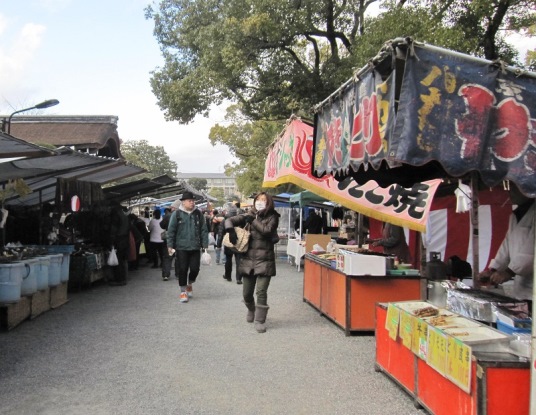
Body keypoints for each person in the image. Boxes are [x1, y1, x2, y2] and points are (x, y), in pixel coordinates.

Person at [225, 192, 280, 333]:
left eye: (264, 200)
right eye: (258, 200)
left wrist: (253, 220)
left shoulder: (273, 216)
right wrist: (230, 230)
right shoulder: (248, 214)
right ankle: (251, 309)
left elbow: (266, 231)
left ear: (269, 203)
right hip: (248, 259)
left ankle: (260, 320)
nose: (260, 202)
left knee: (261, 291)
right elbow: (229, 220)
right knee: (246, 293)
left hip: (265, 259)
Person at [478, 184, 534, 304]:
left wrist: (508, 272)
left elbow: (531, 249)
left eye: (515, 189)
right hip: (521, 288)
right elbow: (506, 245)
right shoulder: (514, 216)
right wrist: (493, 270)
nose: (510, 193)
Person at [167, 191, 209, 303]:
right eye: (190, 201)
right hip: (181, 247)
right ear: (183, 202)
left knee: (195, 269)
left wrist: (205, 244)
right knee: (182, 269)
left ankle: (190, 283)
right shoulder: (177, 214)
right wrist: (170, 245)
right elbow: (171, 231)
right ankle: (182, 292)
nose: (192, 203)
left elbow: (204, 230)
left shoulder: (198, 214)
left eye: (193, 201)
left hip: (195, 246)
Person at [217, 202, 242, 283]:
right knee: (238, 260)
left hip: (228, 243)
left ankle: (228, 276)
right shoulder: (240, 220)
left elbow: (220, 233)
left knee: (228, 259)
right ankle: (238, 278)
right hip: (238, 242)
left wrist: (219, 245)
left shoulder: (224, 221)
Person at [108, 202, 130, 286]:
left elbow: (114, 229)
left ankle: (119, 279)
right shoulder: (125, 215)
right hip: (125, 240)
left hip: (119, 240)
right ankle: (123, 279)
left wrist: (112, 241)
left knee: (118, 261)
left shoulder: (116, 215)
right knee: (123, 260)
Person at [160, 201, 181, 281]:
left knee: (168, 257)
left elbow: (161, 225)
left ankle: (166, 274)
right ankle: (178, 274)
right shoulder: (182, 215)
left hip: (170, 239)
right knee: (178, 257)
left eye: (172, 207)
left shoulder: (168, 216)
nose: (171, 208)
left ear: (175, 207)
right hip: (179, 240)